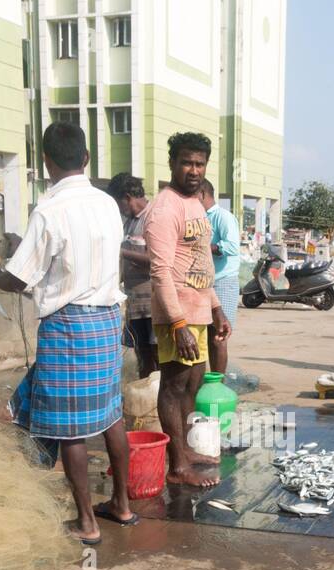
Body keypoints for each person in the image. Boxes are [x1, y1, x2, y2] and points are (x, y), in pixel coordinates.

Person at [0, 122, 134, 546]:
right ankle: (121, 504)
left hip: (68, 325)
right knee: (111, 415)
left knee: (70, 429)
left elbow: (21, 278)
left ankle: (87, 522)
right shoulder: (107, 204)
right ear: (86, 159)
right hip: (106, 322)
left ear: (47, 163)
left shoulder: (49, 210)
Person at [143, 131, 232, 488]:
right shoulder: (165, 207)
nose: (193, 170)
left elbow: (199, 264)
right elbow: (160, 271)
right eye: (186, 162)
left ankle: (187, 450)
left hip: (198, 311)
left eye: (200, 163)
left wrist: (217, 309)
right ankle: (177, 466)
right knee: (174, 386)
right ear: (172, 164)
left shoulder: (197, 203)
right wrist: (178, 323)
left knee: (193, 385)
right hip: (176, 314)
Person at [106, 172, 156, 378]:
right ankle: (146, 392)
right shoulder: (128, 223)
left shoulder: (153, 217)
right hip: (135, 305)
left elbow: (157, 260)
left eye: (118, 204)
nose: (118, 210)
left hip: (153, 303)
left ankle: (157, 396)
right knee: (141, 353)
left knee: (157, 354)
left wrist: (122, 252)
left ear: (127, 197)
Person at [199, 177, 240, 374]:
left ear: (202, 194)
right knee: (207, 336)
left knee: (218, 336)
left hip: (223, 283)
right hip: (205, 283)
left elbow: (232, 246)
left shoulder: (222, 217)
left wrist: (206, 247)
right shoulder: (200, 217)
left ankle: (219, 385)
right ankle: (212, 381)